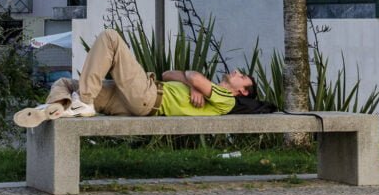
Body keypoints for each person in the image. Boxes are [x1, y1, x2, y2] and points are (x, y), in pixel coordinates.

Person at [13, 28, 259, 128]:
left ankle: (83, 101)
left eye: (243, 76)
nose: (237, 72)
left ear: (243, 92)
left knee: (110, 37)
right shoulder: (212, 90)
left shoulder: (227, 100)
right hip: (131, 99)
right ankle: (56, 108)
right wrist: (190, 83)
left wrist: (193, 80)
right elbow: (167, 74)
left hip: (148, 98)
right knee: (66, 83)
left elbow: (193, 74)